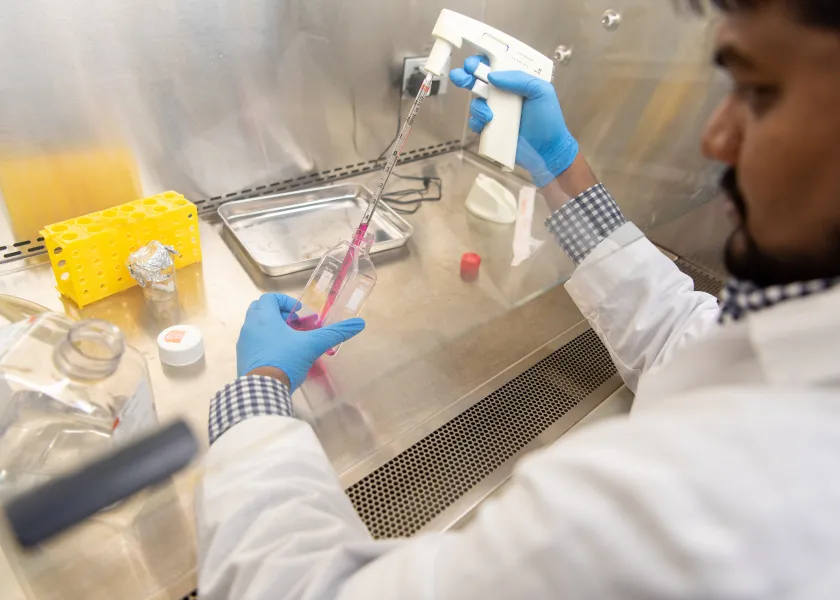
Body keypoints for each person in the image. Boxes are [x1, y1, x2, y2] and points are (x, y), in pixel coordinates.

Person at [196, 1, 840, 597]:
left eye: (758, 93)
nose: (716, 140)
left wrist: (256, 394)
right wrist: (558, 163)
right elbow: (682, 338)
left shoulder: (711, 500)